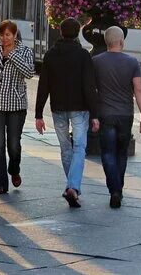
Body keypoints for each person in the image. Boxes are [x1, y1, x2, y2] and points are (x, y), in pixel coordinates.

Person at [35, 18, 98, 208]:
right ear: (78, 32)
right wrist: (94, 114)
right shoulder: (83, 55)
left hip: (58, 108)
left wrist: (38, 113)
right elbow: (89, 86)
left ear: (60, 32)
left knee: (65, 148)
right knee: (79, 147)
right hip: (80, 108)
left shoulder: (51, 55)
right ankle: (72, 186)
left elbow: (43, 85)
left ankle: (72, 186)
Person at [93, 26, 141, 209]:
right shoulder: (132, 62)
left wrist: (92, 115)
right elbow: (139, 90)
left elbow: (91, 90)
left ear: (106, 42)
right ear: (122, 42)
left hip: (105, 114)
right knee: (121, 154)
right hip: (125, 115)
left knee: (108, 153)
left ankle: (114, 189)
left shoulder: (96, 62)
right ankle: (119, 188)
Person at [0, 19, 35, 195]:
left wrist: (11, 55)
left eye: (8, 35)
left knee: (13, 144)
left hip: (16, 105)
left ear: (14, 35)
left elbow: (29, 72)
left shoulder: (24, 51)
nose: (4, 39)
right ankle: (1, 183)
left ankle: (14, 169)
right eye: (1, 35)